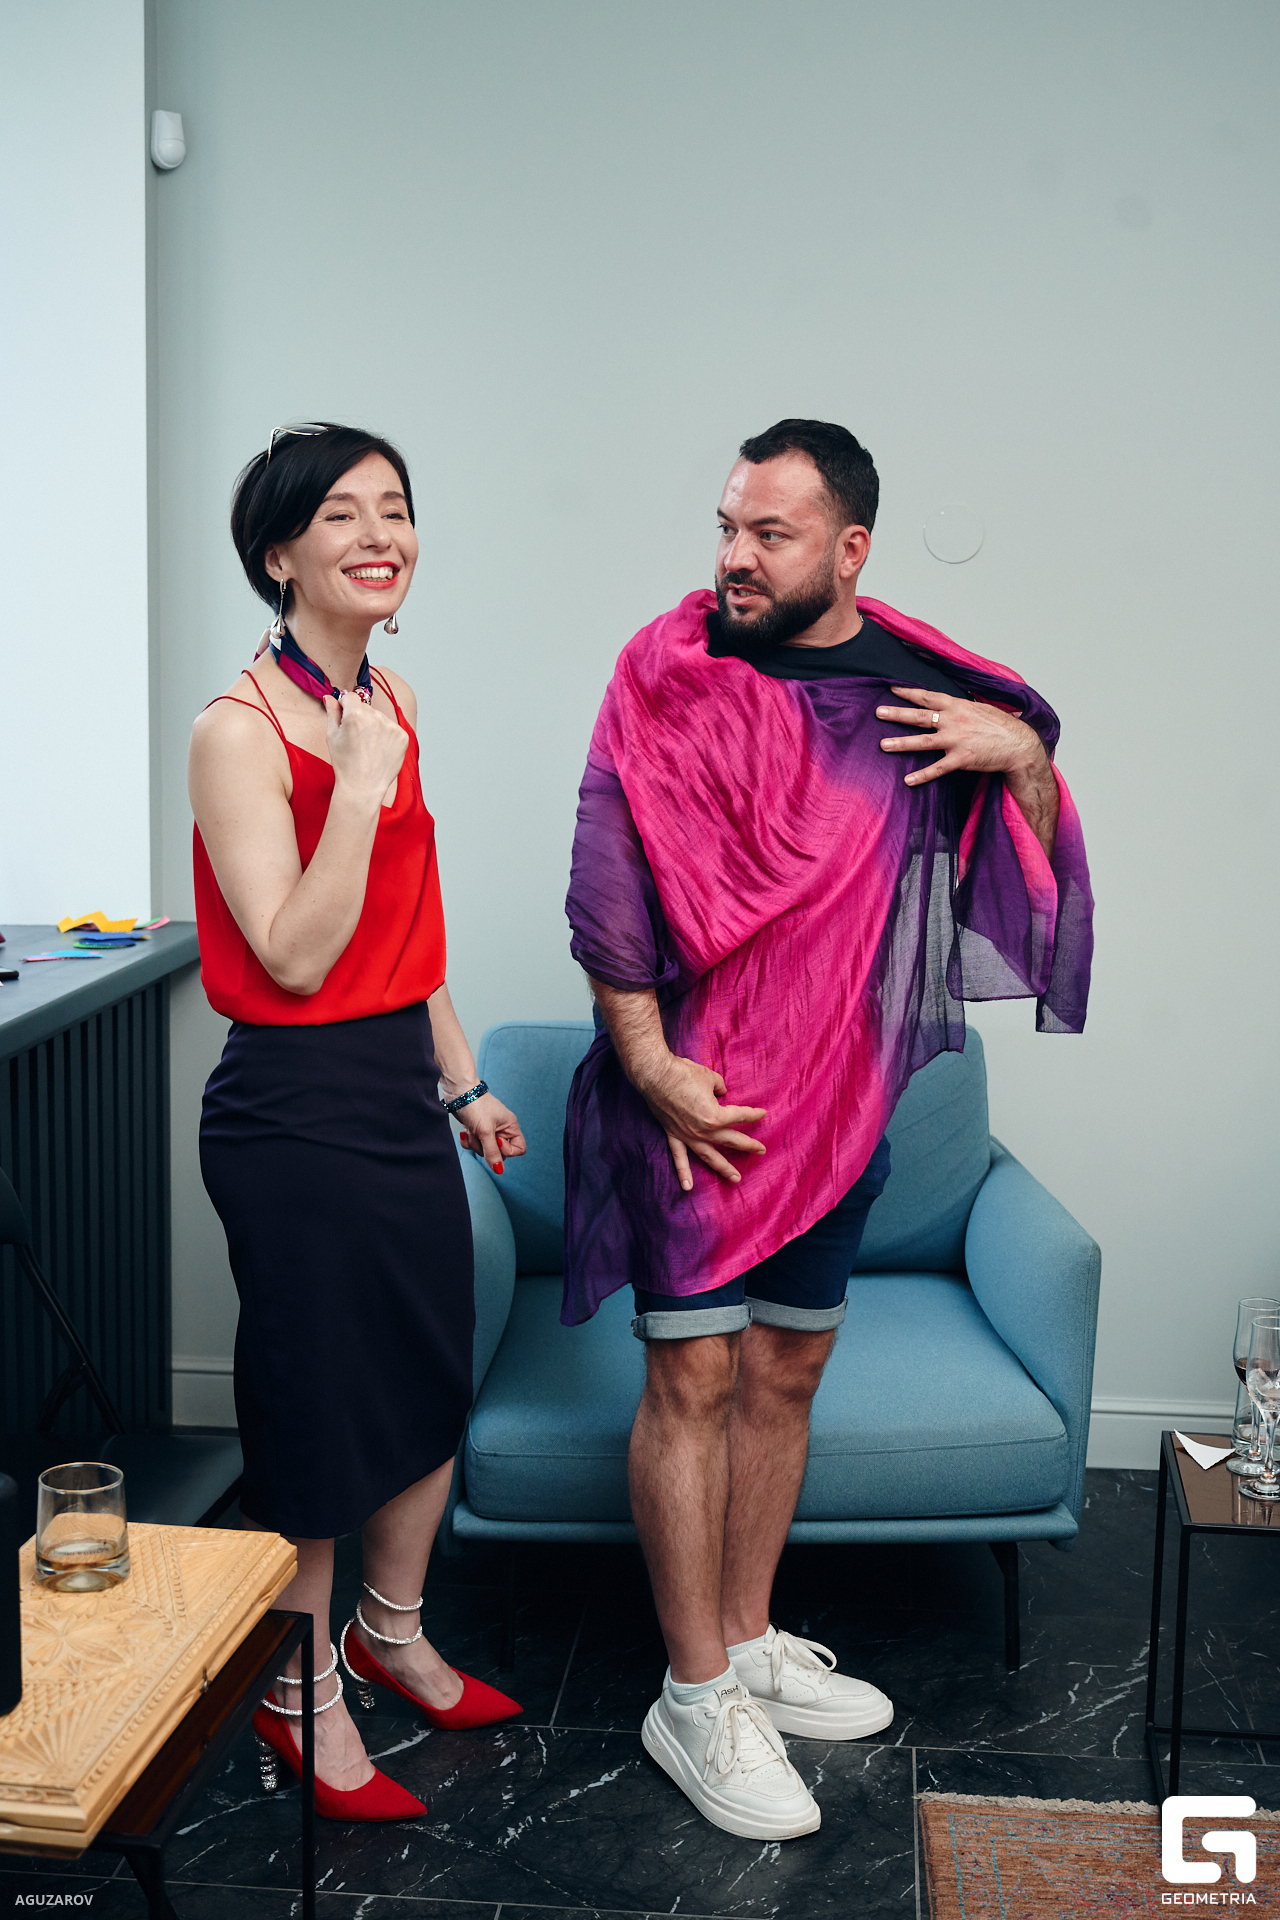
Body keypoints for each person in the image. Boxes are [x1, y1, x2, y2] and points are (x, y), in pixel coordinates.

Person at [563, 419, 1093, 1841]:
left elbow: (1032, 839)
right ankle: (690, 1697)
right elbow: (607, 879)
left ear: (849, 549)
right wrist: (650, 1066)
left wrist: (1020, 755)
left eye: (770, 533)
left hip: (839, 1106)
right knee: (692, 1379)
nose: (734, 556)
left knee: (787, 1370)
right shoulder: (663, 674)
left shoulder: (916, 688)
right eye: (727, 526)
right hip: (692, 1104)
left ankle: (744, 1645)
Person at [190, 422, 526, 1823]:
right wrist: (362, 784)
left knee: (428, 1374)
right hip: (293, 1109)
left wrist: (462, 1080)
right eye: (341, 513)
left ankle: (391, 1632)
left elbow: (408, 927)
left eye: (395, 507)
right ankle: (297, 1684)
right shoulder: (238, 730)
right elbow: (292, 953)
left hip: (395, 1089)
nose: (381, 533)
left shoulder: (387, 698)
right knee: (321, 1413)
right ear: (280, 554)